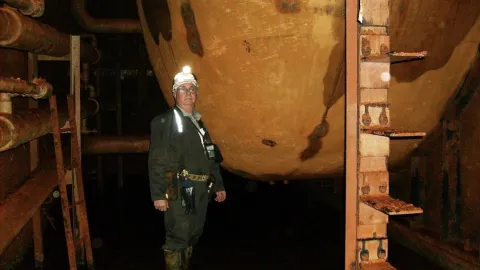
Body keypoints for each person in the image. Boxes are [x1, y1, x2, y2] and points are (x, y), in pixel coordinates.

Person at [148, 65, 227, 270]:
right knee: (177, 236)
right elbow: (157, 159)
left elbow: (210, 157)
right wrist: (159, 194)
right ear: (174, 93)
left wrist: (218, 185)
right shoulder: (164, 122)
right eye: (183, 89)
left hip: (200, 189)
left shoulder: (199, 123)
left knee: (192, 234)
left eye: (192, 89)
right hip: (180, 187)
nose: (188, 93)